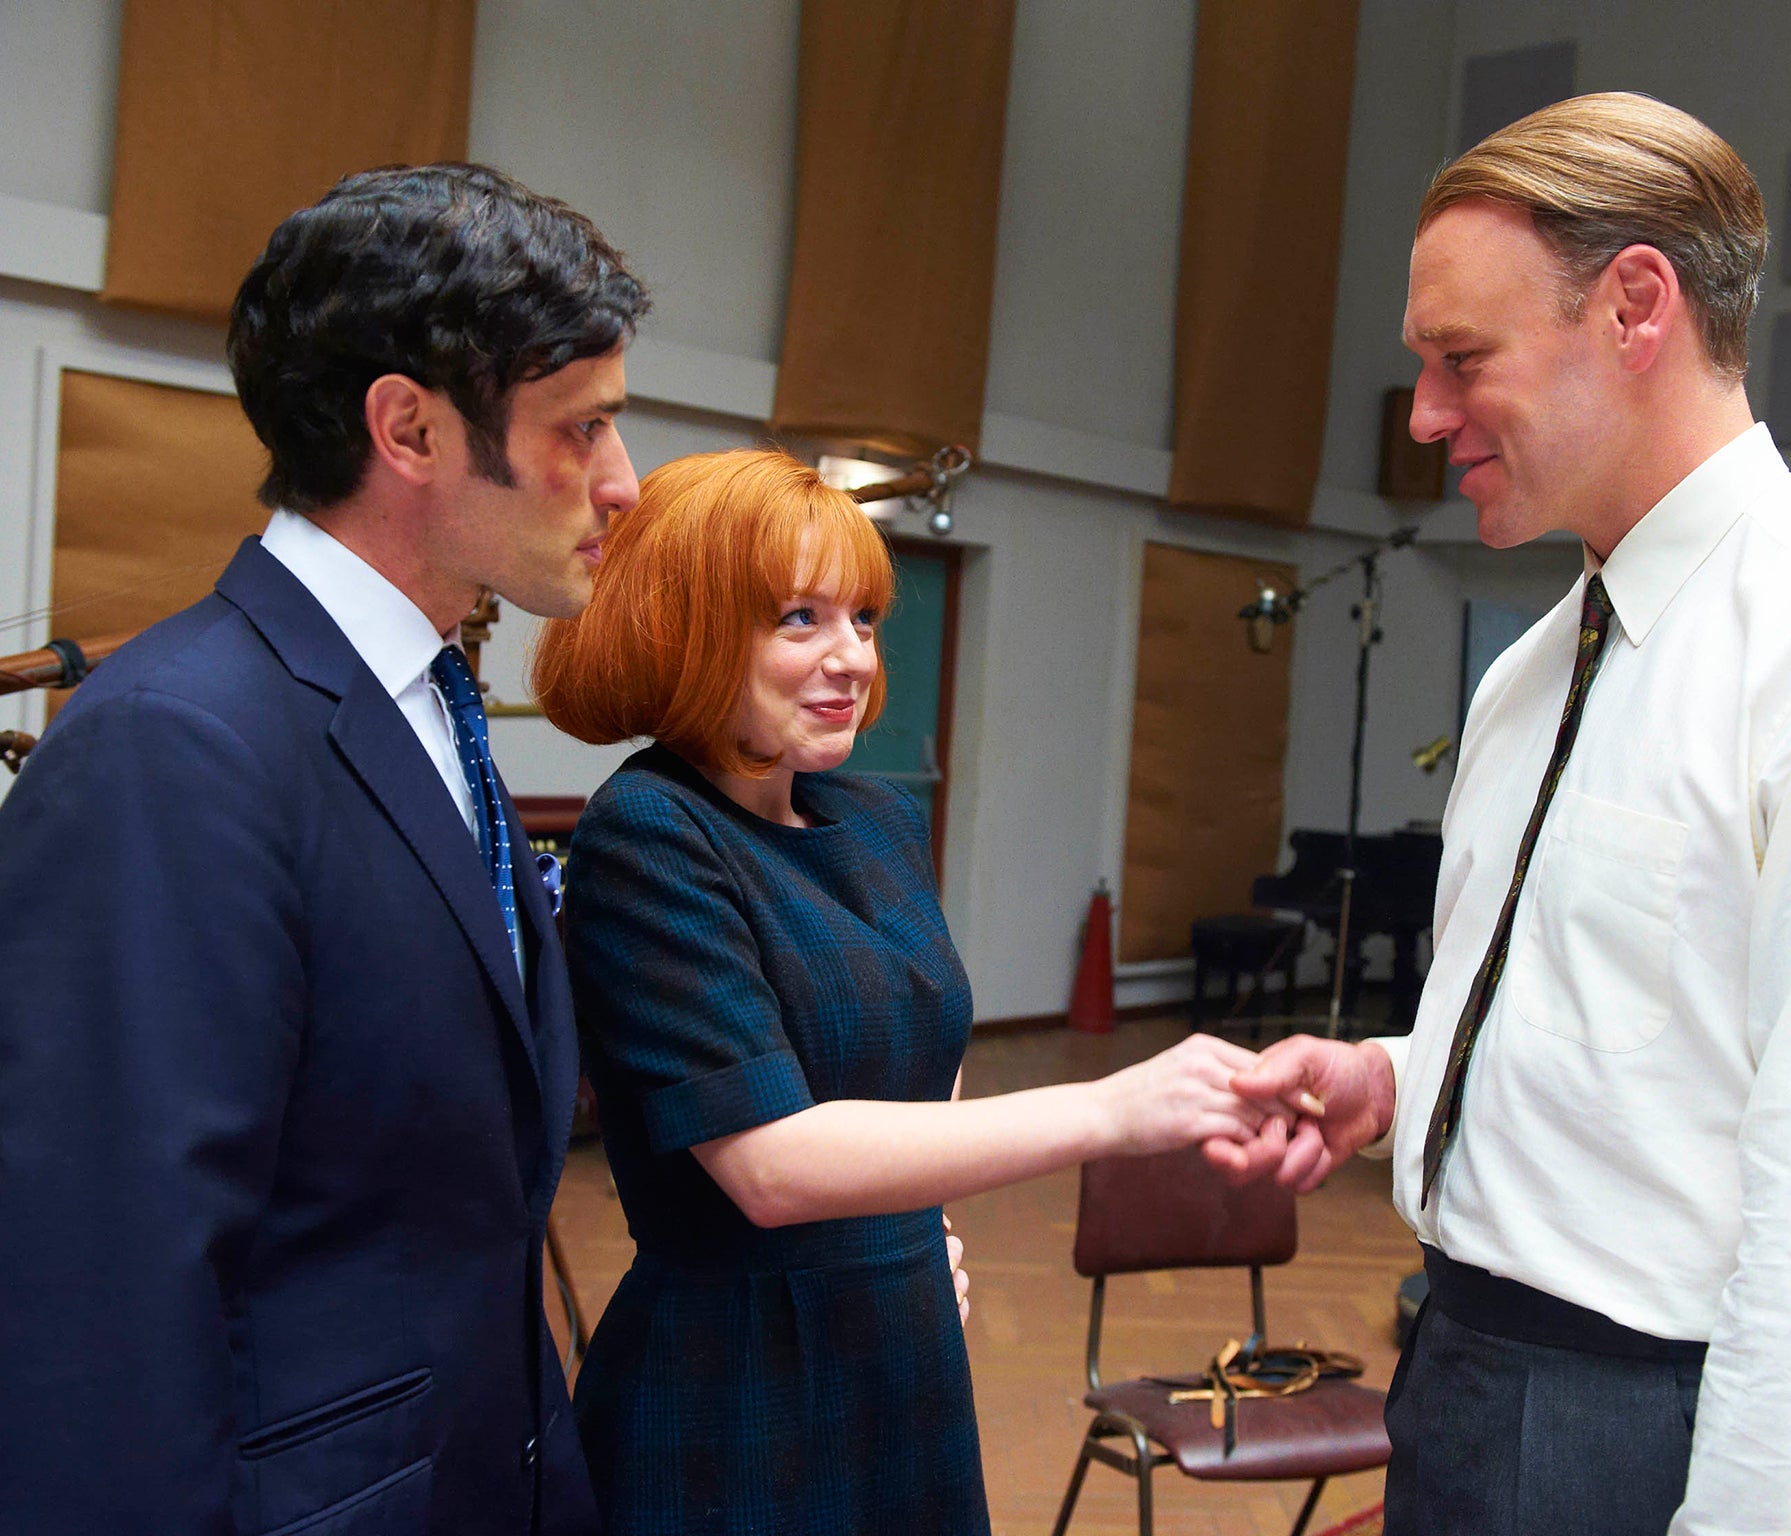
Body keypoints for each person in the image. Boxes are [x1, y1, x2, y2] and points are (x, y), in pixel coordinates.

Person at [1216, 93, 1791, 1534]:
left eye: (1458, 360)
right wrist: (1404, 1087)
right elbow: (1622, 1041)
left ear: (1636, 306)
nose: (1422, 418)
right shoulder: (1534, 672)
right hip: (1465, 1362)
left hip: (1663, 1425)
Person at [0, 164, 646, 1535]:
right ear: (409, 428)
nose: (622, 483)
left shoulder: (427, 700)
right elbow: (104, 1291)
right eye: (581, 431)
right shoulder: (172, 742)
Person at [533, 447, 1279, 1535]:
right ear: (684, 627)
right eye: (799, 619)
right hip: (736, 1379)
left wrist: (910, 1239)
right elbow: (769, 1165)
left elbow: (923, 1059)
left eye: (864, 620)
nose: (851, 659)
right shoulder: (650, 831)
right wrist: (1111, 1110)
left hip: (897, 1347)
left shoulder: (874, 820)